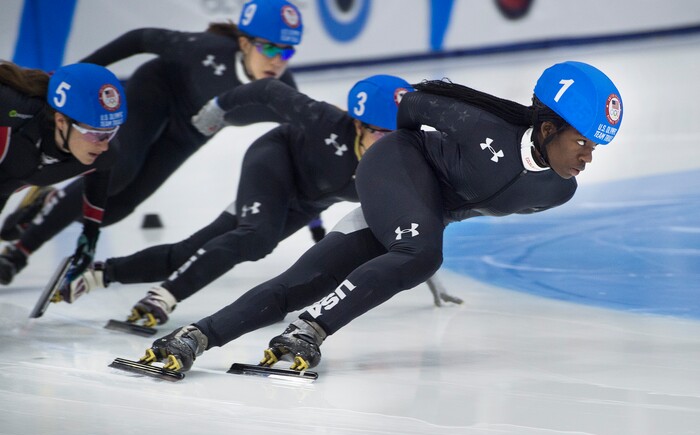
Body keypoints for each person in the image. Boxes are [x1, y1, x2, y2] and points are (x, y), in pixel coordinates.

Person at [131, 60, 624, 374]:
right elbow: (409, 106)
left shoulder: (557, 191)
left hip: (418, 210)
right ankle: (309, 331)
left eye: (595, 145)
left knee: (306, 279)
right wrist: (396, 157)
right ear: (546, 128)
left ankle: (192, 338)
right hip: (396, 165)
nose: (588, 156)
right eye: (582, 141)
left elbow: (461, 203)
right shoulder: (480, 126)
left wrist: (420, 213)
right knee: (421, 252)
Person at [54, 75, 463, 325]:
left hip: (304, 203)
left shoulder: (400, 168)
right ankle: (163, 297)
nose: (387, 145)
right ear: (356, 124)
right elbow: (269, 90)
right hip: (274, 161)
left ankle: (100, 274)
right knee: (256, 237)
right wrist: (218, 107)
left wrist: (432, 281)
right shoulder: (325, 122)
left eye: (398, 137)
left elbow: (409, 230)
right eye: (378, 133)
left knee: (195, 248)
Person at [0, 0, 304, 284]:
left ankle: (49, 203)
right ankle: (19, 252)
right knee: (120, 170)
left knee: (118, 207)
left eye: (287, 52)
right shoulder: (206, 49)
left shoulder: (281, 90)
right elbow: (138, 38)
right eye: (269, 49)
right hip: (156, 92)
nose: (278, 61)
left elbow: (303, 140)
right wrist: (63, 79)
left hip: (190, 131)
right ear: (244, 42)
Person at [0, 61, 127, 285]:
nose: (104, 145)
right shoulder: (12, 106)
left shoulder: (104, 154)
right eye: (96, 134)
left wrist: (90, 235)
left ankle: (34, 208)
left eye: (111, 132)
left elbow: (99, 178)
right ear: (61, 121)